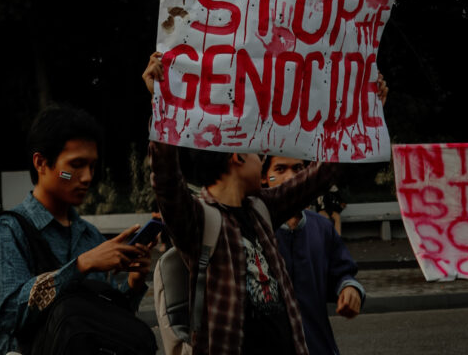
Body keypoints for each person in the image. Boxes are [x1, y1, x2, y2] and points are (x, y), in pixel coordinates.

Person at [143, 52, 338, 355]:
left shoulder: (261, 208)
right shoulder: (199, 219)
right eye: (255, 151)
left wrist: (363, 109)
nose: (262, 157)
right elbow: (166, 182)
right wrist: (163, 103)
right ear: (236, 156)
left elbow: (320, 176)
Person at [0, 103, 153, 355]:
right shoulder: (10, 228)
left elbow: (103, 324)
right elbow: (10, 316)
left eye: (92, 166)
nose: (86, 177)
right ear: (41, 163)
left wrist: (133, 283)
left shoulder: (90, 235)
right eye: (75, 166)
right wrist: (82, 265)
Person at [261, 155, 364, 355]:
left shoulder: (323, 227)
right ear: (264, 177)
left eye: (298, 168)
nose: (291, 177)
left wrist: (349, 288)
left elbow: (342, 272)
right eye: (280, 169)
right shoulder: (255, 229)